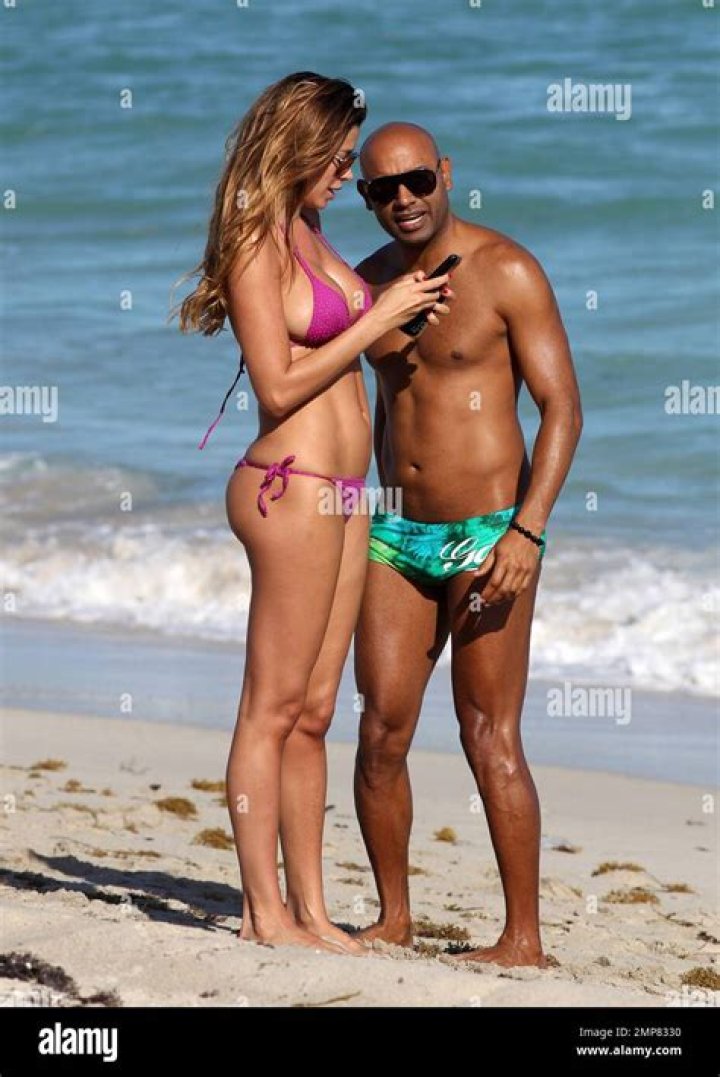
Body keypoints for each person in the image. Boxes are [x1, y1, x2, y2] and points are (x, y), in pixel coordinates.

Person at [173, 79, 452, 952]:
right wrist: (380, 318)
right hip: (287, 487)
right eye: (338, 158)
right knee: (271, 705)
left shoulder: (311, 230)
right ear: (298, 146)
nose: (346, 174)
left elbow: (342, 347)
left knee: (317, 709)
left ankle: (312, 909)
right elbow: (278, 384)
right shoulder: (254, 241)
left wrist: (414, 315)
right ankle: (263, 911)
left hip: (346, 493)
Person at [352, 122, 583, 967]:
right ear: (365, 197)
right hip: (395, 531)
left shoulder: (507, 270)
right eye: (383, 188)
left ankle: (522, 939)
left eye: (416, 179)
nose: (404, 199)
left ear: (445, 173)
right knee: (381, 728)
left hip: (491, 532)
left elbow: (563, 408)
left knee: (488, 733)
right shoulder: (367, 283)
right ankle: (393, 918)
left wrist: (528, 527)